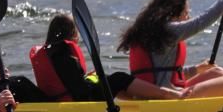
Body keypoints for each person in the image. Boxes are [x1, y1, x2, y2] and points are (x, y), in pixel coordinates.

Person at [117, 0, 223, 98]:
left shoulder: (152, 30)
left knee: (217, 72)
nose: (187, 17)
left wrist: (196, 70)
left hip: (161, 90)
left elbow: (163, 73)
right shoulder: (169, 30)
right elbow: (201, 22)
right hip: (166, 96)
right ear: (173, 13)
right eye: (186, 13)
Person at [29, 14, 191, 101]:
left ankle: (142, 100)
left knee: (105, 78)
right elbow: (80, 91)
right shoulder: (63, 52)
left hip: (62, 99)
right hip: (80, 101)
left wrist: (93, 78)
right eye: (76, 31)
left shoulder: (49, 51)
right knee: (119, 78)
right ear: (71, 33)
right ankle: (167, 94)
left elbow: (72, 81)